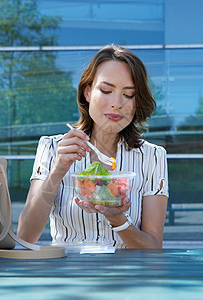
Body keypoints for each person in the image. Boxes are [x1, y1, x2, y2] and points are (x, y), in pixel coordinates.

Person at [17, 44, 169, 249]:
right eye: (106, 90)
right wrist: (58, 171)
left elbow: (153, 246)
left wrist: (118, 219)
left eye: (128, 94)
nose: (116, 103)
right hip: (67, 274)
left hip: (128, 275)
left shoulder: (152, 156)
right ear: (87, 92)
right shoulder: (53, 147)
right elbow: (25, 237)